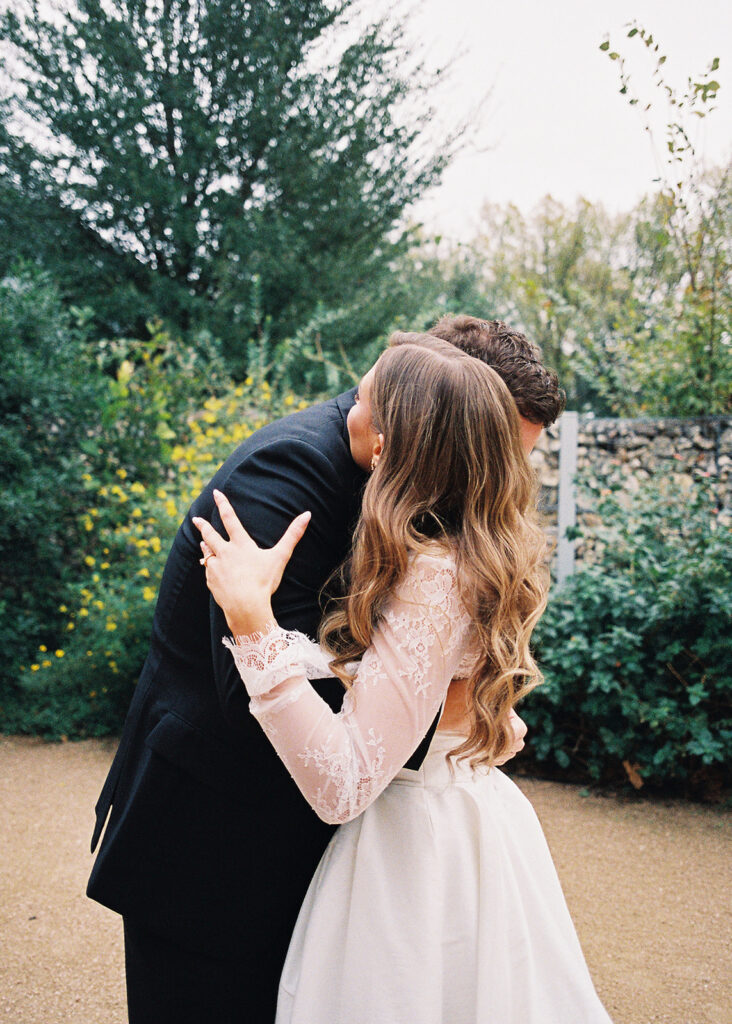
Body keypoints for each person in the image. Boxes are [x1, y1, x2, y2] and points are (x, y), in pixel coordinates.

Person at [86, 315, 565, 1023]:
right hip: (217, 851)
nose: (500, 470)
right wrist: (450, 708)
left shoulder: (435, 528)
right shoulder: (292, 469)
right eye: (496, 443)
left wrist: (449, 698)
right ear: (439, 414)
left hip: (347, 844)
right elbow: (241, 691)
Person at [194, 339, 611, 1023]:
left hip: (414, 855)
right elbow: (403, 683)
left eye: (367, 406)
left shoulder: (434, 578)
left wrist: (253, 625)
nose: (350, 414)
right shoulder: (464, 550)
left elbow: (345, 783)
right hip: (462, 822)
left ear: (400, 448)